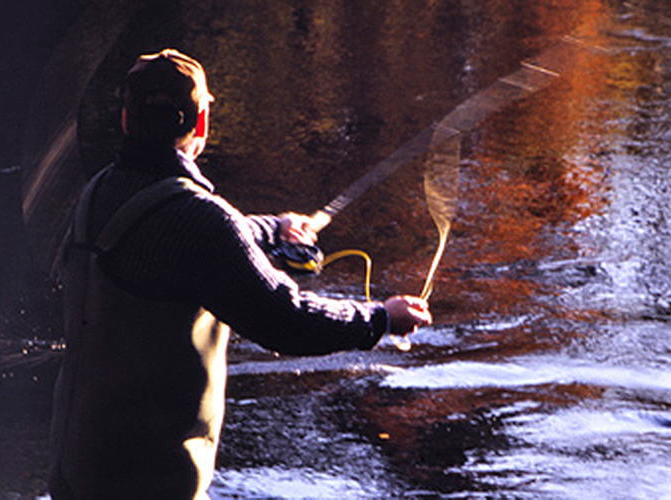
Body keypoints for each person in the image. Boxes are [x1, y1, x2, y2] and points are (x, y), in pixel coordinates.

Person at [48, 48, 432, 500]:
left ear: (127, 119)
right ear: (202, 124)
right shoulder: (201, 223)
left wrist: (273, 228)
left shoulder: (96, 195)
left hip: (76, 477)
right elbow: (285, 320)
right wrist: (380, 319)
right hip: (149, 484)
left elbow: (176, 236)